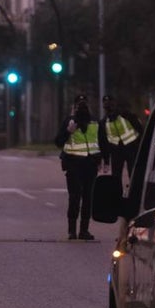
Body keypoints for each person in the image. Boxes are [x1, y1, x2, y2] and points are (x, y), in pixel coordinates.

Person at [55, 93, 104, 241]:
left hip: (90, 165)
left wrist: (103, 160)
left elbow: (102, 141)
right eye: (79, 105)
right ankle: (72, 231)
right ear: (74, 107)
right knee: (75, 197)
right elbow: (58, 142)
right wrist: (68, 131)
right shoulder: (69, 122)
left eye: (84, 104)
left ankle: (84, 230)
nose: (82, 107)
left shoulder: (95, 122)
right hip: (73, 164)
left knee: (88, 198)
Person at [100, 94, 143, 187]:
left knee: (133, 173)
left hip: (131, 148)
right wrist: (106, 160)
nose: (109, 108)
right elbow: (103, 142)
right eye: (107, 106)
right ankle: (117, 196)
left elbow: (140, 130)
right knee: (116, 177)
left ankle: (134, 193)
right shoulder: (104, 122)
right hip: (116, 152)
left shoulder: (127, 115)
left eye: (110, 104)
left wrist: (141, 147)